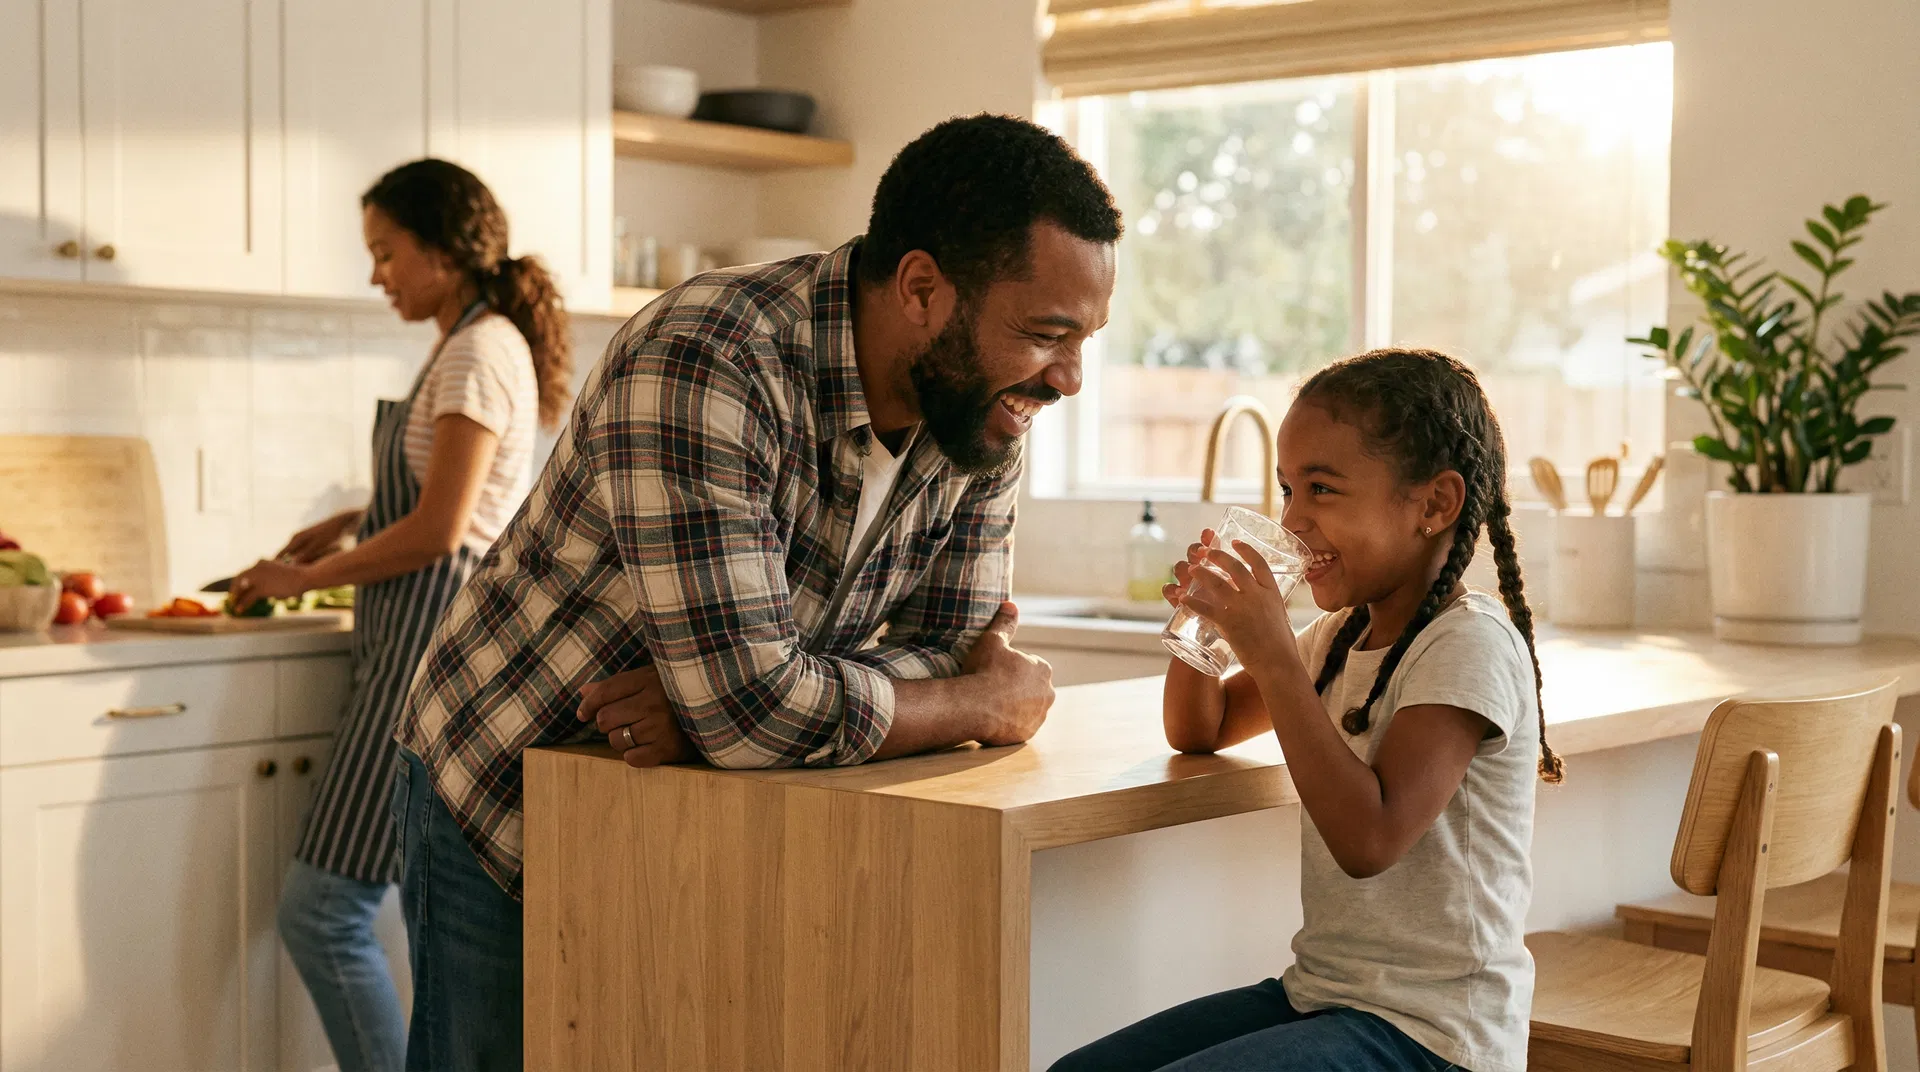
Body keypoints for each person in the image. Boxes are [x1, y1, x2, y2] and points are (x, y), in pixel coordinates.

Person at [389, 113, 1121, 1070]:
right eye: (1044, 334)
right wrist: (968, 704)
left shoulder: (983, 411)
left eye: (1085, 340)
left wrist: (723, 707)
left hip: (692, 804)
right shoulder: (710, 356)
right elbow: (851, 692)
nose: (1067, 377)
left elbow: (939, 641)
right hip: (509, 787)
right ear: (922, 289)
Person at [1052, 349, 1563, 1072]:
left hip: (1439, 1035)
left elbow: (1370, 839)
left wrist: (1271, 656)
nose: (1292, 521)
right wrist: (1202, 628)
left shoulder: (1466, 645)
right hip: (1326, 994)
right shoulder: (1339, 638)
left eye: (1321, 490)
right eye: (1287, 490)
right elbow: (1199, 730)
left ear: (1434, 505)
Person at [228, 158, 572, 1072]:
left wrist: (295, 578)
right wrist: (345, 522)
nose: (376, 273)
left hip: (429, 659)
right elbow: (445, 494)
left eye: (386, 252)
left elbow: (440, 529)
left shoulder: (476, 349)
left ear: (442, 251)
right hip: (416, 652)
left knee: (323, 914)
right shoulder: (469, 342)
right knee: (363, 915)